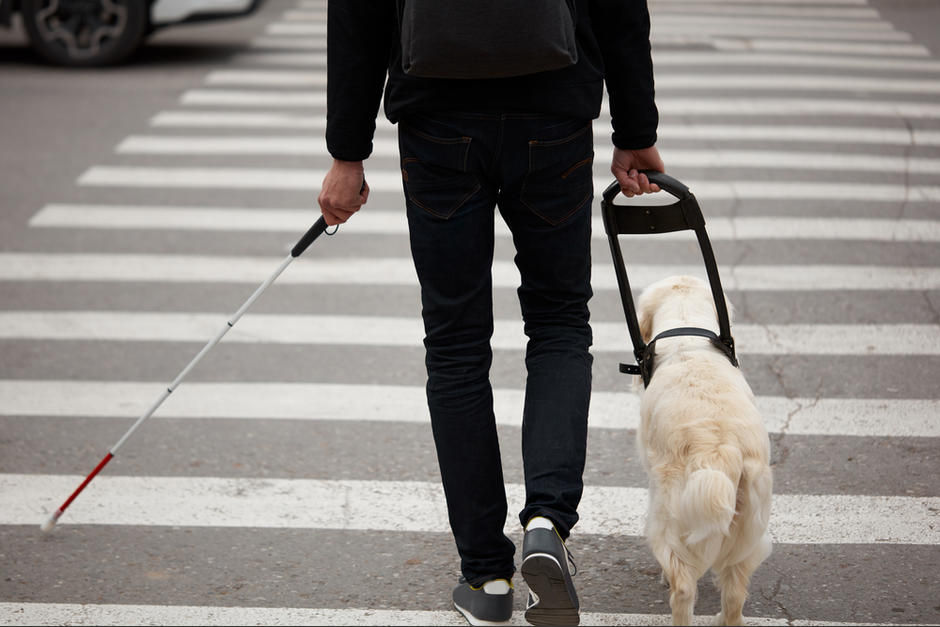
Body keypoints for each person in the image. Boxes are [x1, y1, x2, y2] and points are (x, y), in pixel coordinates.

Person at [319, 2, 663, 624]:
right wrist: (635, 130)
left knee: (454, 344)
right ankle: (545, 522)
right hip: (553, 110)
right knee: (559, 324)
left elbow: (354, 13)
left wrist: (348, 152)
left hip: (437, 119)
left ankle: (486, 577)